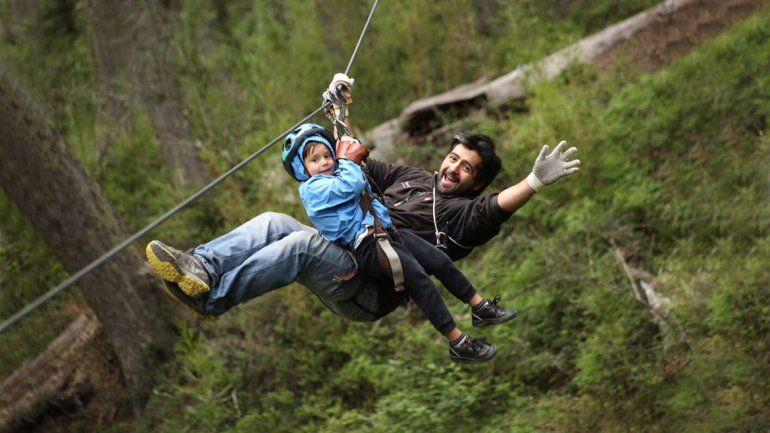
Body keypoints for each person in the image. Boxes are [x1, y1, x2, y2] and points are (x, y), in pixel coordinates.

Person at [145, 73, 580, 352]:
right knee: (272, 221)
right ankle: (201, 265)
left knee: (299, 246)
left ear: (477, 183)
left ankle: (212, 299)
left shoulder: (465, 217)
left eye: (467, 169)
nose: (454, 169)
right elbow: (347, 161)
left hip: (370, 284)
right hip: (349, 249)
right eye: (453, 159)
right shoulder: (410, 176)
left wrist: (533, 183)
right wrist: (338, 109)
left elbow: (496, 209)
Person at [286, 122, 515, 362]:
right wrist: (347, 160)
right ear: (302, 169)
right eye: (315, 160)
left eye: (327, 156)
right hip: (367, 245)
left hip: (385, 232)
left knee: (438, 260)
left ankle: (480, 307)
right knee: (419, 280)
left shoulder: (337, 170)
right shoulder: (315, 188)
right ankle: (457, 342)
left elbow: (352, 156)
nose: (324, 162)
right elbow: (352, 179)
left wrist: (337, 113)